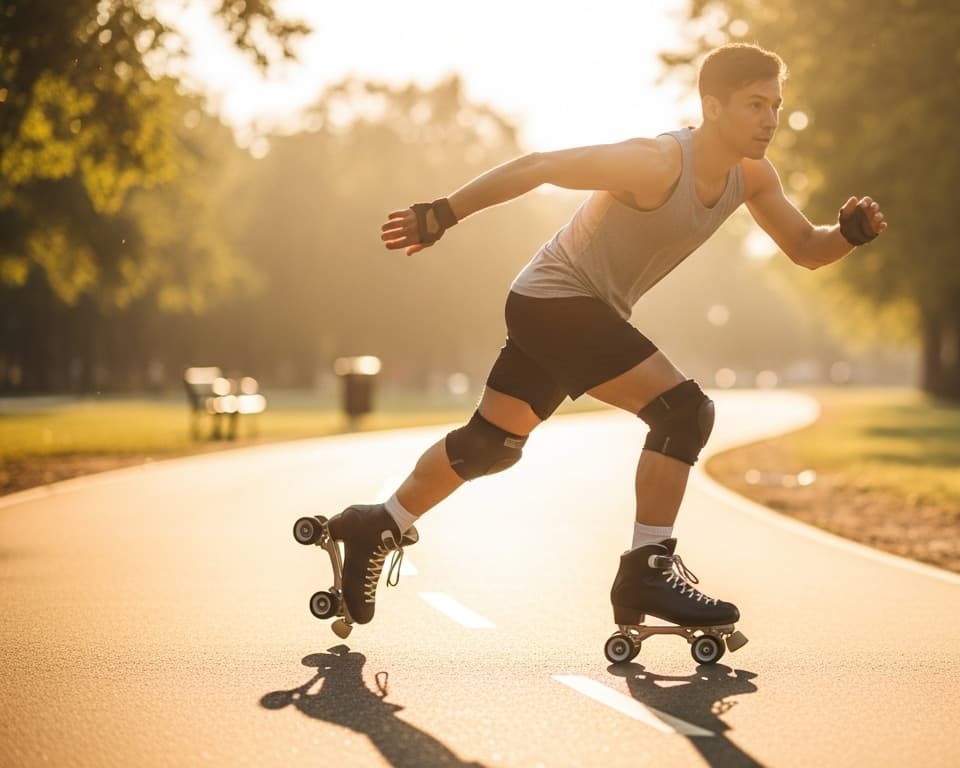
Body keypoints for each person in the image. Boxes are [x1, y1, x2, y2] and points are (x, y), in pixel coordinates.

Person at [326, 42, 886, 633]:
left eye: (775, 106)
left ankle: (378, 523)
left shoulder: (752, 177)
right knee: (682, 412)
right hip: (555, 302)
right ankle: (647, 570)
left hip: (569, 309)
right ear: (712, 106)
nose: (769, 120)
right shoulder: (656, 162)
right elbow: (540, 165)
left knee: (491, 444)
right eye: (754, 105)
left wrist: (847, 234)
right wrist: (442, 213)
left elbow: (806, 248)